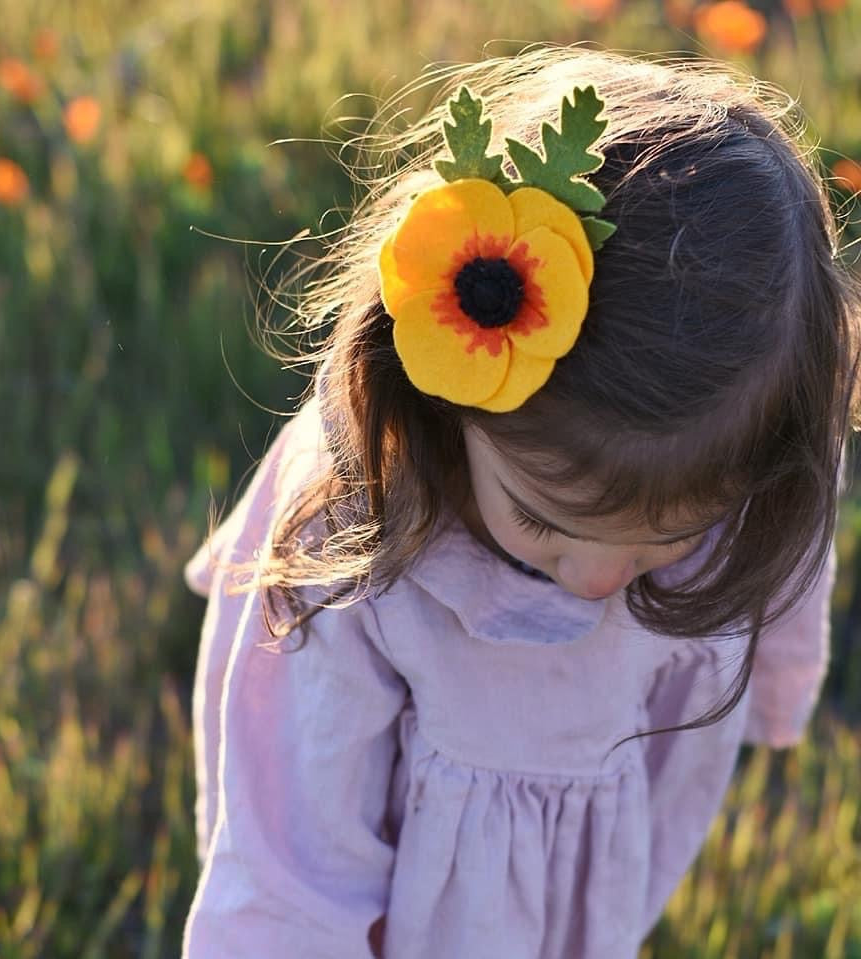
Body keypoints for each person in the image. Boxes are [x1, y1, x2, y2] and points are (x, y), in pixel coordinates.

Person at [180, 47, 859, 959]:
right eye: (544, 522)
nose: (596, 580)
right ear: (450, 396)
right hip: (383, 899)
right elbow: (291, 865)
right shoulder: (357, 542)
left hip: (578, 861)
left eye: (672, 538)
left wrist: (778, 685)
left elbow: (795, 539)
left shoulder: (751, 436)